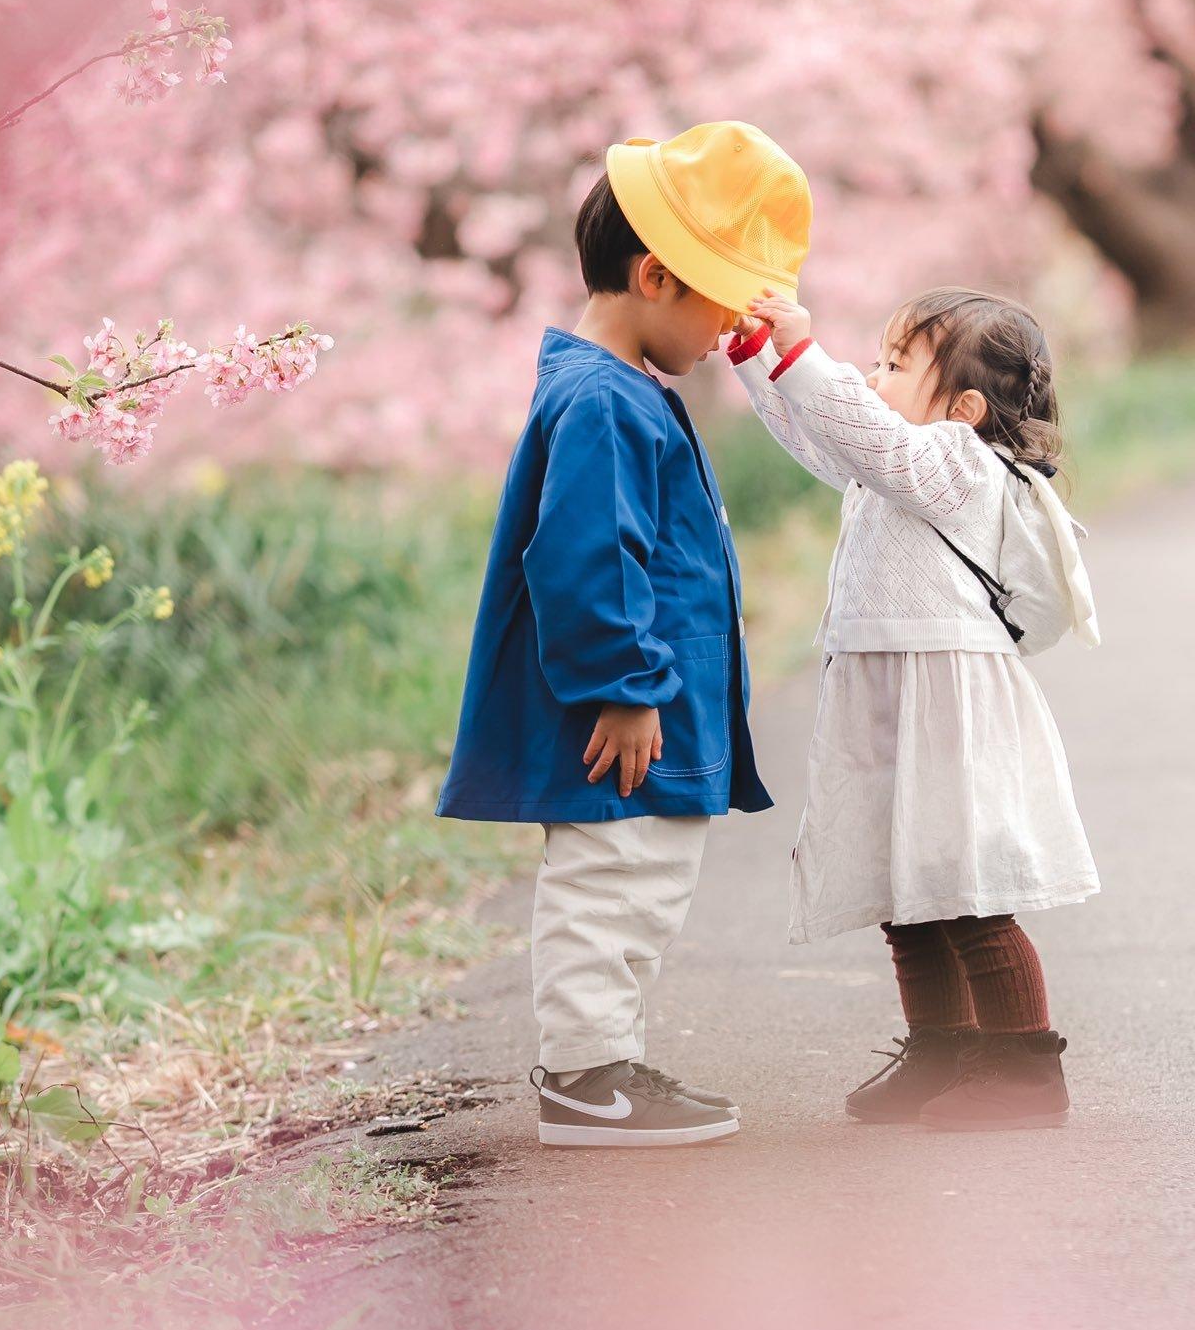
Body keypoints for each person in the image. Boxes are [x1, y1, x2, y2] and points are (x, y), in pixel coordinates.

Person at [442, 121, 812, 1148]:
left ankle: (608, 1057)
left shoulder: (621, 390)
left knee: (640, 884)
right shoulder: (605, 402)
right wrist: (626, 683)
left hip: (653, 704)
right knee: (612, 880)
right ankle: (584, 1074)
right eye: (722, 308)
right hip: (628, 712)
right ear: (656, 275)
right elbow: (587, 559)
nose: (725, 336)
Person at [724, 283, 1099, 1127]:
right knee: (904, 895)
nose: (870, 376)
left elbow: (870, 440)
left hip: (947, 704)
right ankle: (941, 1048)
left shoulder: (958, 464)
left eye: (895, 364)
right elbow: (831, 443)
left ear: (965, 406)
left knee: (965, 890)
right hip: (886, 693)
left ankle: (1024, 1070)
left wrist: (802, 355)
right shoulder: (900, 461)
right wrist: (758, 362)